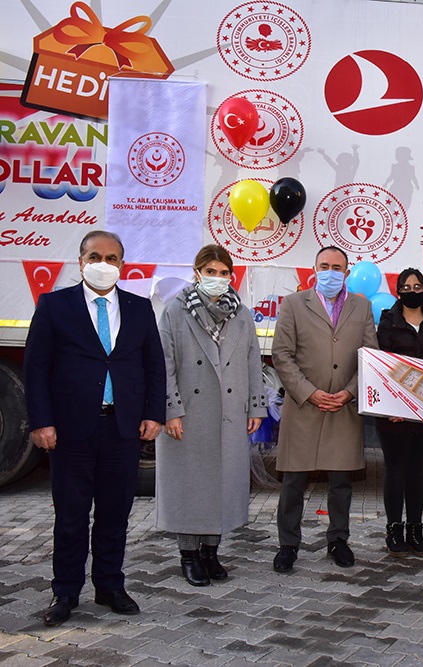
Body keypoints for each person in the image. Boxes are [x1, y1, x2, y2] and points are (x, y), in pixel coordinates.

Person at [24, 231, 166, 626]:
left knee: (114, 515)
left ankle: (110, 586)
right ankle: (65, 591)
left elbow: (154, 366)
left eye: (112, 258)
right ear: (81, 261)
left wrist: (154, 413)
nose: (103, 264)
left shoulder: (139, 308)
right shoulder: (54, 305)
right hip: (71, 431)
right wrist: (41, 421)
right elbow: (36, 368)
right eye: (95, 257)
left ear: (122, 264)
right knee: (71, 516)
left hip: (122, 429)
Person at [155, 244, 267, 586]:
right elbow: (163, 365)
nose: (217, 278)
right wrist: (171, 411)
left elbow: (252, 361)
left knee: (221, 485)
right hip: (189, 415)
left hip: (229, 414)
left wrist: (256, 405)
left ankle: (210, 552)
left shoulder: (241, 314)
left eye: (223, 273)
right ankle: (189, 555)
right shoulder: (176, 310)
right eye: (210, 272)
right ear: (197, 272)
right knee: (191, 485)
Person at [271, 246, 377, 572]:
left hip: (343, 408)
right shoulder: (293, 304)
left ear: (347, 272)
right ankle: (288, 545)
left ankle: (338, 541)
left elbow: (369, 356)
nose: (330, 272)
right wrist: (310, 392)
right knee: (293, 482)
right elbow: (282, 355)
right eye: (324, 266)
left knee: (341, 482)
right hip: (303, 406)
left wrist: (349, 392)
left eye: (337, 267)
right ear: (314, 268)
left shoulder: (362, 306)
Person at [375, 269, 423, 557]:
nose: (412, 291)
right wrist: (391, 406)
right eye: (406, 287)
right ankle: (394, 530)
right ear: (398, 291)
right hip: (394, 414)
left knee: (418, 471)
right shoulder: (387, 323)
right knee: (396, 470)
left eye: (417, 286)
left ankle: (415, 530)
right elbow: (381, 366)